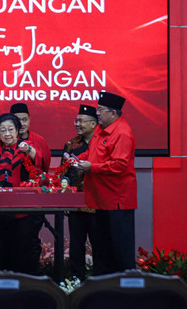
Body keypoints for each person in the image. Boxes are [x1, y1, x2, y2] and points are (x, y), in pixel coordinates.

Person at [75, 91, 137, 275]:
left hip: (117, 201)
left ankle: (128, 289)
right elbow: (94, 154)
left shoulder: (122, 133)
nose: (98, 114)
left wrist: (91, 167)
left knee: (120, 249)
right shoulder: (100, 130)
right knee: (101, 247)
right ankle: (102, 286)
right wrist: (79, 160)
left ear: (113, 113)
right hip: (100, 200)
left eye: (100, 110)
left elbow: (119, 165)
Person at [0, 113, 44, 274]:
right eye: (3, 130)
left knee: (23, 250)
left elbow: (40, 161)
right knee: (1, 249)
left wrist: (30, 150)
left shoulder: (25, 146)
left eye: (10, 129)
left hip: (23, 208)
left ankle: (25, 286)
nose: (7, 134)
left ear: (17, 131)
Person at [62, 104, 98, 280]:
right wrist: (65, 199)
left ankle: (99, 281)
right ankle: (76, 280)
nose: (77, 124)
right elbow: (65, 174)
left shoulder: (103, 143)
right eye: (76, 120)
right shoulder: (71, 145)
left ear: (93, 124)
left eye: (81, 121)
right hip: (76, 202)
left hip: (98, 201)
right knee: (76, 244)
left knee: (100, 243)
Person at [9, 103, 51, 172]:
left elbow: (45, 166)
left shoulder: (40, 140)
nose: (21, 124)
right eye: (18, 120)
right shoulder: (4, 140)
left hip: (34, 181)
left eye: (24, 120)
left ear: (29, 120)